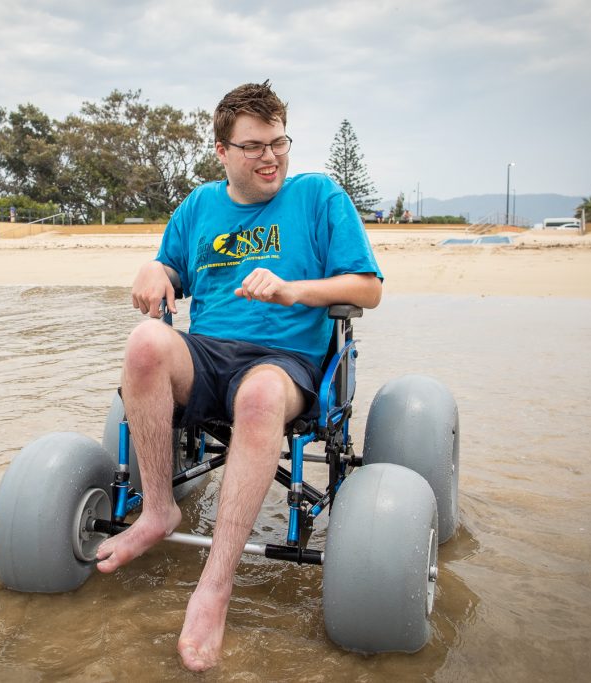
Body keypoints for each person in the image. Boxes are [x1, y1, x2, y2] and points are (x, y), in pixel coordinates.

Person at [95, 80, 383, 672]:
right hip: (208, 355)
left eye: (278, 141)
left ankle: (215, 586)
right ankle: (157, 511)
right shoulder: (199, 206)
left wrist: (292, 290)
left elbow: (368, 289)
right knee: (146, 342)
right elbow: (168, 266)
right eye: (253, 146)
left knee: (256, 398)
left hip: (287, 361)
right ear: (223, 151)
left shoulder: (319, 196)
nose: (271, 156)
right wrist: (153, 270)